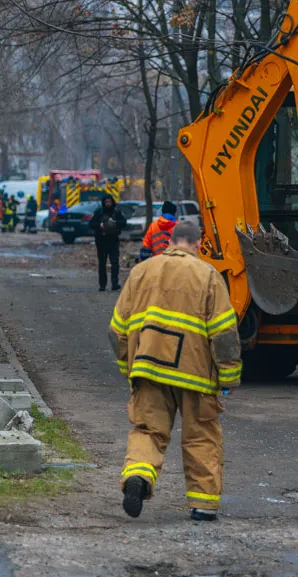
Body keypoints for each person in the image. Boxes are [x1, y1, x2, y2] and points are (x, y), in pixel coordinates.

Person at [111, 220, 242, 521]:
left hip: (148, 367)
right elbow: (224, 335)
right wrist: (228, 379)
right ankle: (203, 505)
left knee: (148, 430)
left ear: (171, 240)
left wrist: (128, 368)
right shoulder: (208, 275)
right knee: (201, 436)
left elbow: (116, 329)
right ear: (198, 245)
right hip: (195, 375)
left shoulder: (141, 272)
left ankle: (139, 478)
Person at [89, 195, 127, 291]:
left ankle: (115, 284)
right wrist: (100, 225)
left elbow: (124, 223)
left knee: (115, 263)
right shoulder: (99, 212)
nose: (108, 204)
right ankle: (102, 284)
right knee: (102, 264)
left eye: (109, 202)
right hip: (101, 241)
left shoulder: (117, 212)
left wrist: (115, 223)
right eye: (106, 202)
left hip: (113, 240)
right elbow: (91, 224)